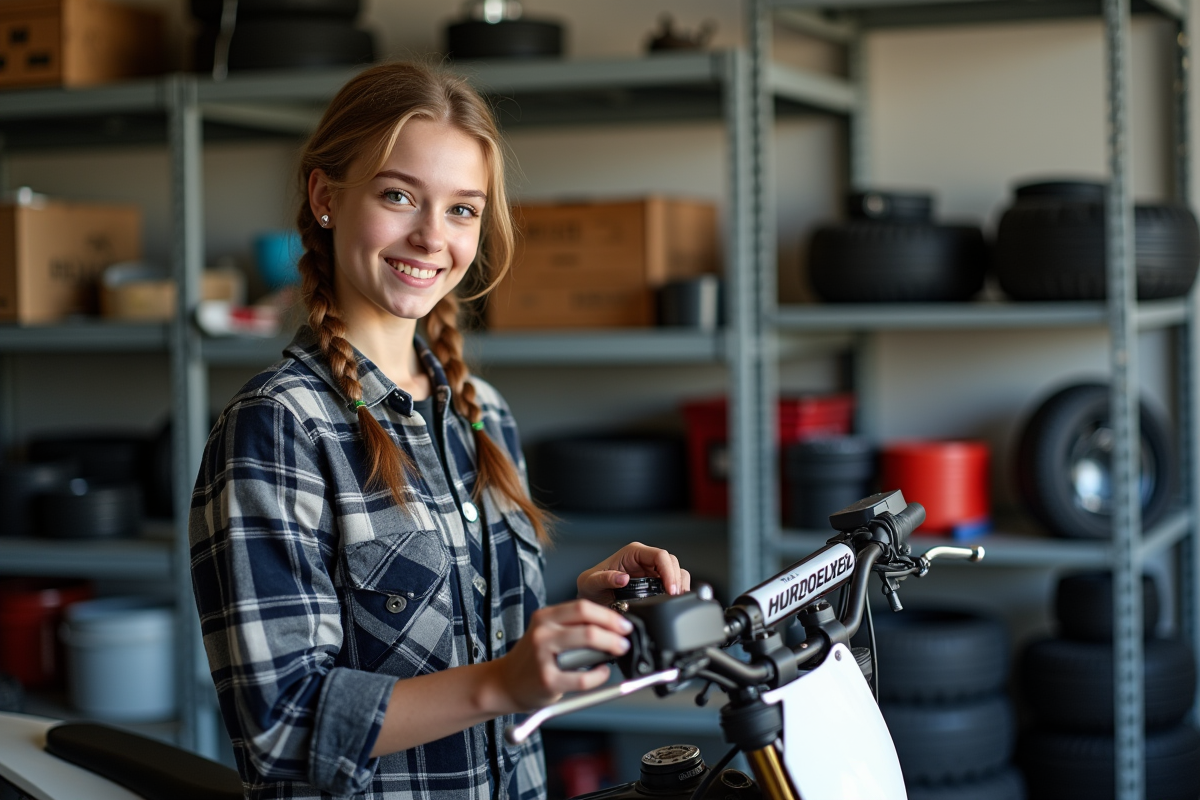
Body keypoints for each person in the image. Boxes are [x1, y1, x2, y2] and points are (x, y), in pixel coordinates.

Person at [188, 61, 691, 800]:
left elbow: (474, 651)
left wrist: (580, 615)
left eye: (462, 210)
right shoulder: (278, 426)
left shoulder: (482, 410)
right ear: (325, 198)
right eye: (398, 196)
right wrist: (501, 683)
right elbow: (280, 727)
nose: (431, 237)